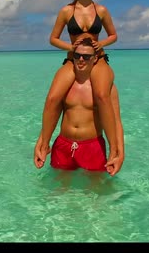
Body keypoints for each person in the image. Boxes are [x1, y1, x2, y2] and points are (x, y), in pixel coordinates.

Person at [38, 0, 121, 174]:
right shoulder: (67, 11)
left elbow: (113, 35)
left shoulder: (101, 10)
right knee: (52, 98)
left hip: (97, 59)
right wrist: (70, 48)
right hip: (73, 59)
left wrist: (100, 44)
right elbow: (53, 38)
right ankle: (44, 144)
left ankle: (113, 151)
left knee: (102, 96)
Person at [34, 38, 125, 176]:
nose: (81, 59)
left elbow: (116, 121)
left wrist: (120, 152)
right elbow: (52, 115)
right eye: (77, 56)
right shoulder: (65, 85)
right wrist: (41, 144)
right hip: (63, 146)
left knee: (97, 195)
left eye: (86, 56)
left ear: (95, 59)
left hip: (93, 148)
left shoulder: (107, 88)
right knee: (57, 195)